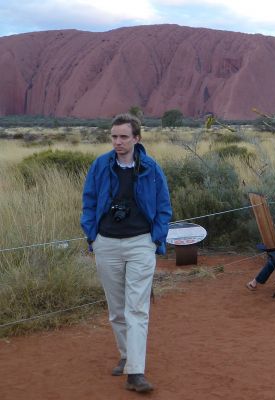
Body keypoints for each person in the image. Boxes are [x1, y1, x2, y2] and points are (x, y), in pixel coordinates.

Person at [81, 113, 172, 393]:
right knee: (117, 309)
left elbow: (164, 206)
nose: (118, 142)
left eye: (123, 136)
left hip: (140, 243)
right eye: (114, 136)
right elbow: (89, 200)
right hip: (106, 243)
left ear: (136, 138)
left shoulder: (150, 168)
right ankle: (126, 355)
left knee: (137, 309)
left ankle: (136, 372)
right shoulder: (100, 165)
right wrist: (92, 236)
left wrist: (154, 239)